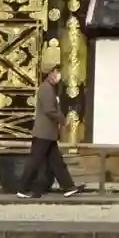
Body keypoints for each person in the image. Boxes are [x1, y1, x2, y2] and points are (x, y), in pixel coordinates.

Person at [18, 64, 84, 199]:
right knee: (35, 162)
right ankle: (23, 189)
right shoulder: (46, 88)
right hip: (44, 133)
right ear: (50, 74)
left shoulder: (50, 88)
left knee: (56, 162)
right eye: (56, 72)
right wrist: (63, 120)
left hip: (49, 133)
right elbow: (49, 110)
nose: (58, 74)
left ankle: (69, 187)